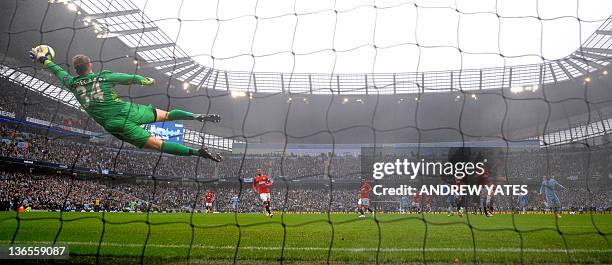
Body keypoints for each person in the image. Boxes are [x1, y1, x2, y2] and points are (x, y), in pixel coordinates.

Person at [30, 50, 223, 162]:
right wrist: (145, 80)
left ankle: (197, 153)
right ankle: (195, 116)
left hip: (115, 123)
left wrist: (43, 59)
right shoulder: (103, 75)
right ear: (89, 65)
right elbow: (129, 78)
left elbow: (56, 70)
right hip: (127, 110)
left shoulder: (71, 83)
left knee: (158, 144)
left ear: (76, 70)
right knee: (166, 115)